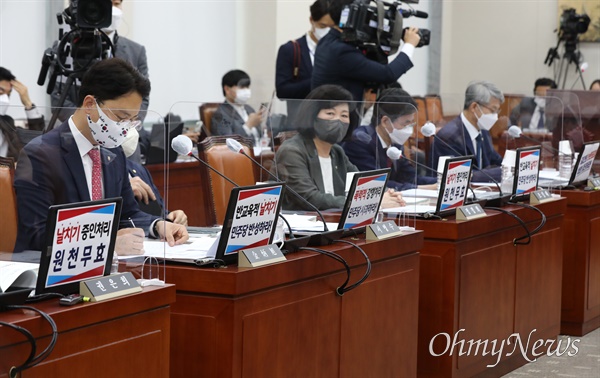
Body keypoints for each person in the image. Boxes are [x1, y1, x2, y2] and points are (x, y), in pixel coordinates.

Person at [14, 58, 188, 252]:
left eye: (131, 121)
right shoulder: (40, 154)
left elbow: (126, 214)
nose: (124, 128)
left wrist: (158, 225)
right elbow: (37, 233)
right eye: (121, 118)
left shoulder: (113, 152)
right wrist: (107, 244)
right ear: (90, 103)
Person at [274, 84, 405, 210]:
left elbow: (362, 183)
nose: (338, 120)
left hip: (333, 222)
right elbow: (310, 198)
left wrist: (387, 193)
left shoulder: (336, 152)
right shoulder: (292, 151)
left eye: (344, 115)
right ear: (312, 117)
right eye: (330, 114)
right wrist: (374, 201)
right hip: (300, 229)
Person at [51, 0, 151, 153]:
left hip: (123, 142)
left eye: (116, 4)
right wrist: (93, 124)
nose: (112, 9)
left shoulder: (136, 51)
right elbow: (58, 99)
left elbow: (142, 97)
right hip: (77, 141)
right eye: (106, 3)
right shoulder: (65, 49)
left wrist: (123, 126)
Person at [311, 0, 421, 102]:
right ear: (353, 16)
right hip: (336, 117)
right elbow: (388, 74)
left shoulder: (328, 40)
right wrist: (410, 44)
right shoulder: (342, 51)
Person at [342, 88, 437, 191]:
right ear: (385, 121)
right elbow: (377, 183)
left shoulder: (394, 140)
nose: (410, 130)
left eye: (411, 123)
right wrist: (424, 188)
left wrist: (439, 182)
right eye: (405, 123)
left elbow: (409, 177)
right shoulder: (360, 141)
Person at [431, 81, 504, 183]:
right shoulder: (448, 137)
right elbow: (458, 177)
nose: (495, 116)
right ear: (474, 107)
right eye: (493, 110)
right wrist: (498, 172)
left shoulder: (483, 131)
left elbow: (498, 162)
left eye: (497, 111)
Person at [275, 0, 334, 125]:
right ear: (312, 20)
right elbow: (282, 91)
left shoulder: (339, 51)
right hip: (301, 125)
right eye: (323, 26)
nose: (327, 32)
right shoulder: (291, 49)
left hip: (331, 125)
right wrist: (317, 81)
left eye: (332, 27)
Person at [120, 127, 188, 226]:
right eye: (123, 119)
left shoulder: (139, 170)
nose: (131, 128)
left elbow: (158, 212)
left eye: (134, 122)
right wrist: (122, 189)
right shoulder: (97, 171)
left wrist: (171, 217)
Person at [0, 67, 45, 159]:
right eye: (1, 92)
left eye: (8, 94)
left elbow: (36, 145)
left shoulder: (7, 123)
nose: (5, 99)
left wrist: (28, 104)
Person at [211, 69, 264, 146]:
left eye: (247, 87)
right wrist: (248, 125)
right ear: (227, 89)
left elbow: (260, 136)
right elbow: (227, 143)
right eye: (242, 87)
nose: (246, 91)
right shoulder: (220, 114)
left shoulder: (249, 108)